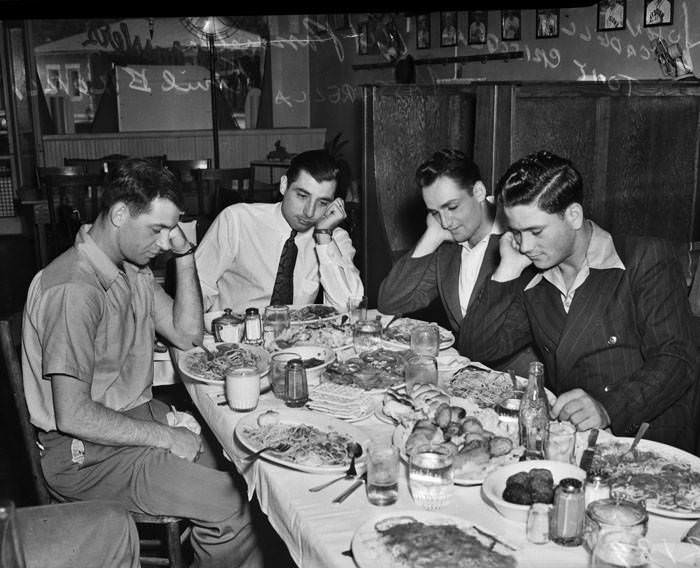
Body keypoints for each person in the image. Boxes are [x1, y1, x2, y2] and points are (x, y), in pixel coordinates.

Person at [21, 158, 262, 567]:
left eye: (172, 230)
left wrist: (185, 255)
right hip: (86, 454)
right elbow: (74, 415)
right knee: (233, 507)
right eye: (158, 229)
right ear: (118, 214)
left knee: (245, 472)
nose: (166, 241)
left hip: (129, 424)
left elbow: (187, 334)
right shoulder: (74, 289)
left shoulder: (131, 268)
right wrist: (166, 437)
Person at [459, 150, 699, 452]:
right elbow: (476, 348)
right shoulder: (533, 275)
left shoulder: (643, 260)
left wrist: (608, 408)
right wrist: (506, 270)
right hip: (573, 443)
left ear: (573, 215)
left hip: (645, 442)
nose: (526, 245)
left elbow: (677, 360)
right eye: (516, 232)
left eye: (536, 231)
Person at [377, 149, 535, 373]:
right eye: (435, 212)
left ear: (479, 192)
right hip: (465, 373)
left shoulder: (521, 243)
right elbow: (390, 302)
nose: (446, 221)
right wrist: (431, 237)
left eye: (452, 207)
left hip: (514, 378)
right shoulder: (448, 246)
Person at [195, 149, 364, 313]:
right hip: (232, 335)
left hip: (296, 339)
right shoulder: (237, 220)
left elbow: (348, 307)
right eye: (302, 196)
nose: (309, 212)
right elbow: (199, 287)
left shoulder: (333, 238)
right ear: (284, 185)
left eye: (322, 203)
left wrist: (324, 237)